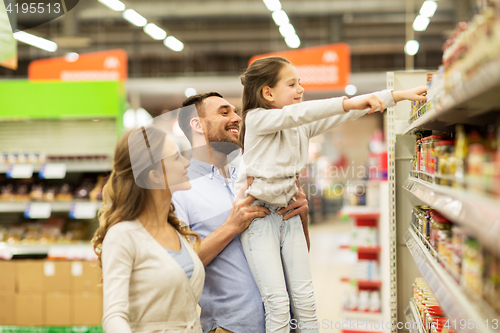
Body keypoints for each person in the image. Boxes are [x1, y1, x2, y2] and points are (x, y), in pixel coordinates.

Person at [237, 56, 427, 333]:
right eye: (292, 84)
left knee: (306, 302)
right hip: (260, 219)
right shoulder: (256, 119)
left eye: (300, 82)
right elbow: (299, 114)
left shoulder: (298, 126)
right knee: (277, 304)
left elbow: (341, 114)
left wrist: (394, 96)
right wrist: (349, 101)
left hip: (288, 215)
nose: (301, 89)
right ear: (268, 92)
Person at [172, 92, 310, 333]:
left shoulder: (253, 180)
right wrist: (231, 227)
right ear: (196, 124)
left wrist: (302, 217)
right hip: (232, 327)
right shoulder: (178, 190)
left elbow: (296, 253)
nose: (237, 118)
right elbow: (179, 267)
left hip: (284, 323)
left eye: (236, 112)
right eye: (224, 112)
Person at [92, 125, 205, 333]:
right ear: (154, 175)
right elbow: (113, 317)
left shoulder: (176, 229)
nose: (186, 163)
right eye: (176, 158)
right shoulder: (123, 236)